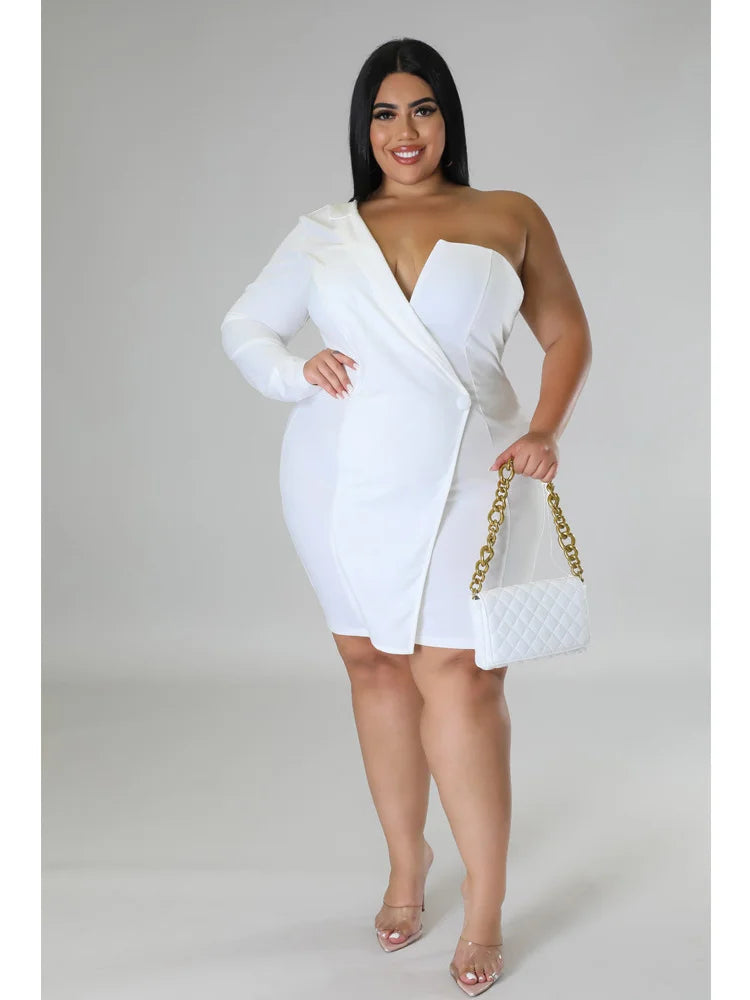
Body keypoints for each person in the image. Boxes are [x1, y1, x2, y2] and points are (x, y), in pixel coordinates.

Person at [220, 37, 591, 997]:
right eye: (384, 113)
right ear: (364, 129)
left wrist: (545, 427)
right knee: (373, 663)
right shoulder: (325, 231)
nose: (404, 130)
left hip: (474, 468)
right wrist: (294, 370)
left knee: (461, 676)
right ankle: (406, 862)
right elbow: (245, 326)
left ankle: (485, 906)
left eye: (421, 108)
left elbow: (565, 331)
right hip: (338, 476)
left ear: (447, 118)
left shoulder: (508, 214)